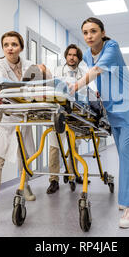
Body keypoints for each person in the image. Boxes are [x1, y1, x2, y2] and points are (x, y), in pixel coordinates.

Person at [69, 17, 129, 229]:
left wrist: (75, 85)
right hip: (113, 110)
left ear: (102, 32)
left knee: (127, 156)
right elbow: (97, 80)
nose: (89, 36)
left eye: (93, 31)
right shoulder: (88, 58)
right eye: (85, 32)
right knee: (125, 155)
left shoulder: (112, 46)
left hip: (127, 107)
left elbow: (96, 72)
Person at [0, 31, 41, 233]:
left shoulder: (30, 65)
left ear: (21, 47)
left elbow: (36, 88)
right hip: (4, 117)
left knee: (24, 157)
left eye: (14, 44)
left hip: (23, 117)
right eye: (6, 44)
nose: (10, 47)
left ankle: (25, 185)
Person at [46, 44, 89, 194]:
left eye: (75, 55)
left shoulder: (83, 73)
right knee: (54, 147)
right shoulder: (57, 71)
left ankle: (74, 174)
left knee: (74, 146)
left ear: (79, 58)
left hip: (75, 113)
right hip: (57, 112)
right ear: (66, 56)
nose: (72, 57)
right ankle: (54, 180)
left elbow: (84, 92)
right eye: (69, 54)